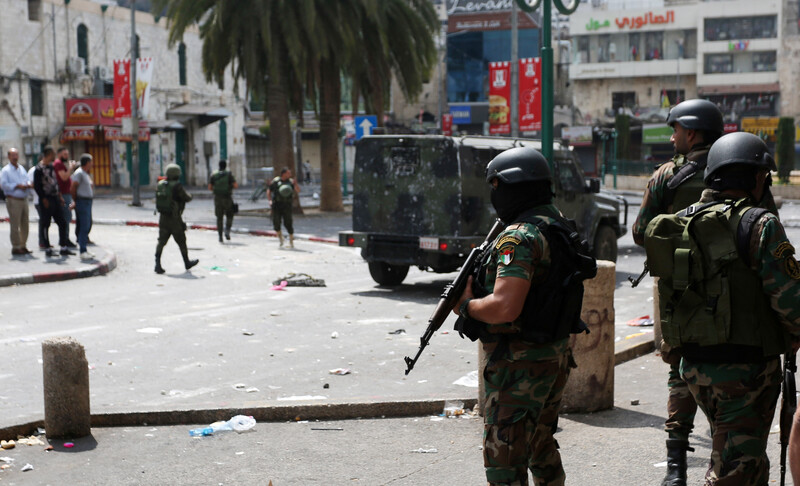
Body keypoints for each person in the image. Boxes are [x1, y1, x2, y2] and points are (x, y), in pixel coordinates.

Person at [632, 99, 776, 486]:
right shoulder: (745, 168)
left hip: (682, 292)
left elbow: (640, 232)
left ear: (692, 131)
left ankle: (676, 463)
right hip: (741, 311)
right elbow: (768, 223)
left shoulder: (667, 175)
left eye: (676, 128)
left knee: (683, 370)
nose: (673, 135)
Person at [451, 147, 582, 485]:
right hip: (553, 355)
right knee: (540, 444)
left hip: (519, 368)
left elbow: (504, 307)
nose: (495, 195)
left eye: (497, 186)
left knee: (505, 462)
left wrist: (465, 306)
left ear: (511, 187)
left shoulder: (519, 236)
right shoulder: (557, 224)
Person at [154, 163, 198, 274]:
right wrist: (191, 196)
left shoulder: (161, 184)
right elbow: (186, 198)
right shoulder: (177, 186)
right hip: (174, 219)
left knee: (161, 241)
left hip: (163, 217)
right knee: (181, 241)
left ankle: (157, 264)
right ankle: (186, 262)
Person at [33, 146, 72, 258]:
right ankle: (47, 248)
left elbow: (55, 182)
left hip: (55, 197)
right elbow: (37, 186)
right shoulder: (39, 169)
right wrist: (44, 198)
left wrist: (60, 196)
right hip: (46, 199)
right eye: (53, 153)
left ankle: (63, 247)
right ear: (49, 154)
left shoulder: (51, 166)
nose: (55, 155)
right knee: (46, 224)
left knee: (62, 222)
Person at [0, 148, 32, 255]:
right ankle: (16, 246)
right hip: (13, 200)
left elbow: (26, 179)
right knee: (15, 224)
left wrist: (27, 184)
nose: (15, 157)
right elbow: (3, 185)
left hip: (24, 199)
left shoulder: (21, 168)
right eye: (13, 155)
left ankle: (23, 245)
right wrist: (17, 186)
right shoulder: (5, 170)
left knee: (25, 224)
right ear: (9, 157)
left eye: (16, 155)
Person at [266, 167, 299, 248]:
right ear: (283, 174)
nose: (290, 175)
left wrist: (295, 184)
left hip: (287, 205)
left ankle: (291, 240)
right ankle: (281, 238)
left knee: (288, 222)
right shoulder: (276, 181)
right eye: (288, 173)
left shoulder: (291, 182)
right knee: (276, 223)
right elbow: (269, 191)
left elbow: (298, 191)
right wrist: (269, 200)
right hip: (277, 205)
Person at [52, 146, 78, 248]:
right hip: (63, 194)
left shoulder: (62, 164)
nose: (66, 156)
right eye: (64, 154)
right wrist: (71, 168)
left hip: (67, 193)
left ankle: (65, 238)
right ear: (59, 154)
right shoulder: (58, 164)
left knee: (67, 217)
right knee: (65, 217)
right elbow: (64, 177)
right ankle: (64, 239)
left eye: (67, 154)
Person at [69, 154, 94, 260]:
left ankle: (84, 248)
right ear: (87, 162)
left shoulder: (84, 173)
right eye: (91, 161)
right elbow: (73, 187)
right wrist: (75, 200)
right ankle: (82, 250)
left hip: (87, 202)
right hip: (82, 202)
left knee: (87, 224)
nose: (92, 164)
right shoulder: (79, 173)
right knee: (84, 225)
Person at [207, 159, 238, 243]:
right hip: (227, 198)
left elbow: (210, 187)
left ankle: (220, 236)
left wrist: (217, 190)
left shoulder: (213, 174)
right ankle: (227, 230)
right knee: (230, 215)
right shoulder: (229, 174)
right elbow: (235, 185)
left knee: (219, 218)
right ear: (225, 166)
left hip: (217, 199)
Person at [27, 163, 50, 250]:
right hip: (39, 199)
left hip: (44, 199)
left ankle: (45, 241)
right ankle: (42, 241)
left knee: (45, 221)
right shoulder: (35, 170)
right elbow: (32, 184)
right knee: (43, 221)